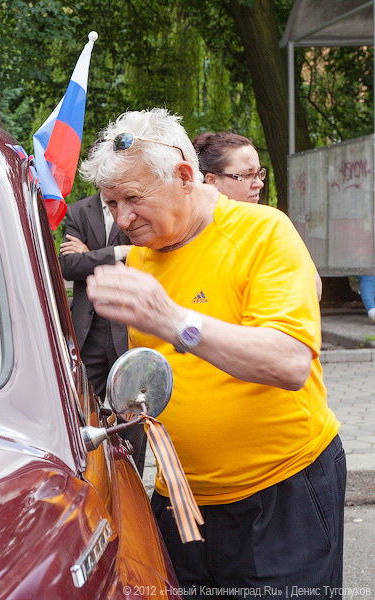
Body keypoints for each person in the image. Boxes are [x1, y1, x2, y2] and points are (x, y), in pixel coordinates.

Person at [80, 108, 345, 595]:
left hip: (279, 494)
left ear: (184, 176)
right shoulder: (143, 251)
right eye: (111, 203)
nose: (121, 219)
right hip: (184, 500)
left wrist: (174, 321)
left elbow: (288, 362)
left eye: (133, 200)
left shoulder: (264, 233)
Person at [58, 192, 147, 475]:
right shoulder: (78, 211)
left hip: (129, 329)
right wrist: (118, 254)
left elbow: (145, 259)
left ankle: (130, 479)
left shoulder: (140, 206)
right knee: (78, 410)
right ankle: (82, 474)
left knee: (132, 414)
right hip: (88, 332)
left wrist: (89, 256)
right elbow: (68, 267)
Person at [194, 130, 323, 301]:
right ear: (211, 180)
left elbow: (312, 287)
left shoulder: (268, 224)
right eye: (247, 175)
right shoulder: (185, 231)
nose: (260, 183)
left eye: (259, 173)